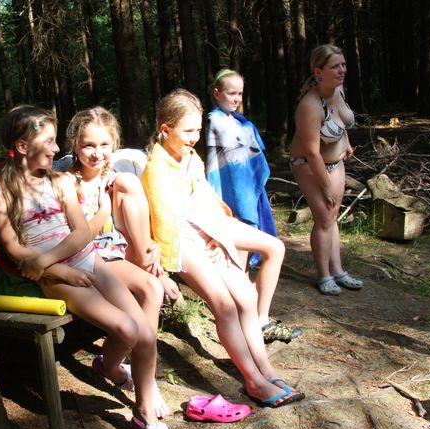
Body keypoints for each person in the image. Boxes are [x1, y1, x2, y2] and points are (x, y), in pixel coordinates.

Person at [0, 105, 175, 429]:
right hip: (57, 280)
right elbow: (12, 248)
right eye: (49, 142)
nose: (57, 149)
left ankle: (145, 412)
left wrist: (46, 259)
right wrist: (58, 271)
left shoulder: (59, 181)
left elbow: (83, 232)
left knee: (146, 334)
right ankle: (116, 374)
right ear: (22, 146)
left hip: (87, 260)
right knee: (128, 329)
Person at [141, 89, 304, 408]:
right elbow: (167, 225)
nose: (194, 137)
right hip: (181, 242)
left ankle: (266, 369)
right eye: (188, 131)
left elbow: (204, 198)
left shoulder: (190, 157)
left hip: (203, 231)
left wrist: (216, 235)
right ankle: (253, 380)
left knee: (246, 297)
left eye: (198, 130)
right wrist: (198, 246)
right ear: (165, 129)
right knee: (225, 305)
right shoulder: (156, 169)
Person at [206, 69, 301, 343]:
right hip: (231, 196)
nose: (236, 99)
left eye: (240, 94)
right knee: (238, 258)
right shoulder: (216, 121)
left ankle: (253, 317)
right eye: (231, 93)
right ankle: (249, 319)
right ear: (217, 93)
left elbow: (249, 155)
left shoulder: (238, 122)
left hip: (246, 192)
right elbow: (224, 163)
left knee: (247, 254)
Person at [289, 44, 364, 295]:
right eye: (335, 66)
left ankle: (338, 270)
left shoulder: (338, 90)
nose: (342, 70)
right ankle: (324, 275)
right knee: (323, 218)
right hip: (308, 165)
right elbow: (311, 152)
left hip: (335, 163)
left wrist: (346, 143)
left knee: (332, 216)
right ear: (319, 72)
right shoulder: (310, 106)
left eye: (343, 64)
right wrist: (325, 185)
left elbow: (341, 121)